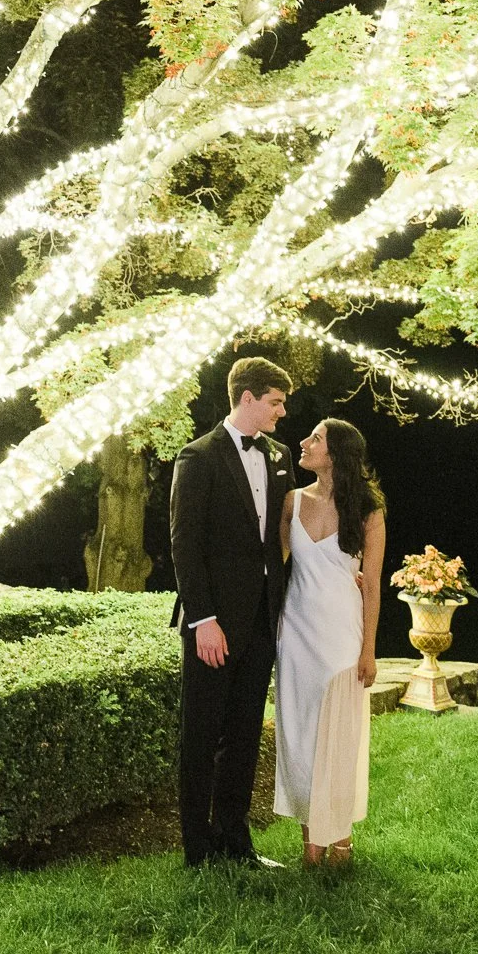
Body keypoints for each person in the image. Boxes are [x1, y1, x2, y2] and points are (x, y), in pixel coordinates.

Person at [170, 356, 295, 868]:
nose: (282, 412)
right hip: (214, 625)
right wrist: (202, 620)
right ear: (247, 398)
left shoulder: (282, 456)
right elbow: (184, 544)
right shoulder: (197, 458)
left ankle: (235, 843)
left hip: (263, 622)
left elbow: (286, 537)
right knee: (200, 736)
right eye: (275, 402)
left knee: (244, 735)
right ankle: (197, 852)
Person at [274, 417, 385, 866]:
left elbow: (372, 586)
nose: (303, 443)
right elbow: (274, 567)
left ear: (336, 453)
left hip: (342, 636)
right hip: (296, 635)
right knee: (300, 737)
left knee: (338, 737)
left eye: (315, 438)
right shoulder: (291, 501)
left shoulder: (368, 510)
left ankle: (340, 842)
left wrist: (369, 651)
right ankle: (310, 846)